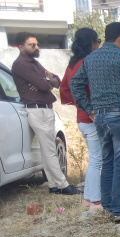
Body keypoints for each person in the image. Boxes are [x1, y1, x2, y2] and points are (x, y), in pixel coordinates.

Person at [70, 22, 120, 222]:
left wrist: (88, 108)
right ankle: (118, 210)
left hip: (100, 117)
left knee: (108, 162)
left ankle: (108, 205)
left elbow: (75, 84)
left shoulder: (90, 58)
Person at [11, 32, 83, 195]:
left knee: (47, 149)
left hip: (45, 109)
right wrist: (45, 82)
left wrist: (46, 81)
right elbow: (44, 85)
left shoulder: (34, 63)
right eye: (32, 45)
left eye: (37, 44)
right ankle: (63, 185)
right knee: (50, 149)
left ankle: (54, 185)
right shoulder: (20, 64)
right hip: (37, 110)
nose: (36, 47)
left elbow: (57, 80)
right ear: (21, 47)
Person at [60, 28, 103, 210]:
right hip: (91, 118)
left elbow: (64, 89)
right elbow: (94, 89)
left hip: (82, 118)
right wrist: (88, 107)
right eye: (98, 41)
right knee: (97, 160)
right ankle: (95, 201)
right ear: (92, 44)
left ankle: (88, 198)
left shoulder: (73, 64)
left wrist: (78, 104)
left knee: (95, 159)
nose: (99, 45)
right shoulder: (88, 63)